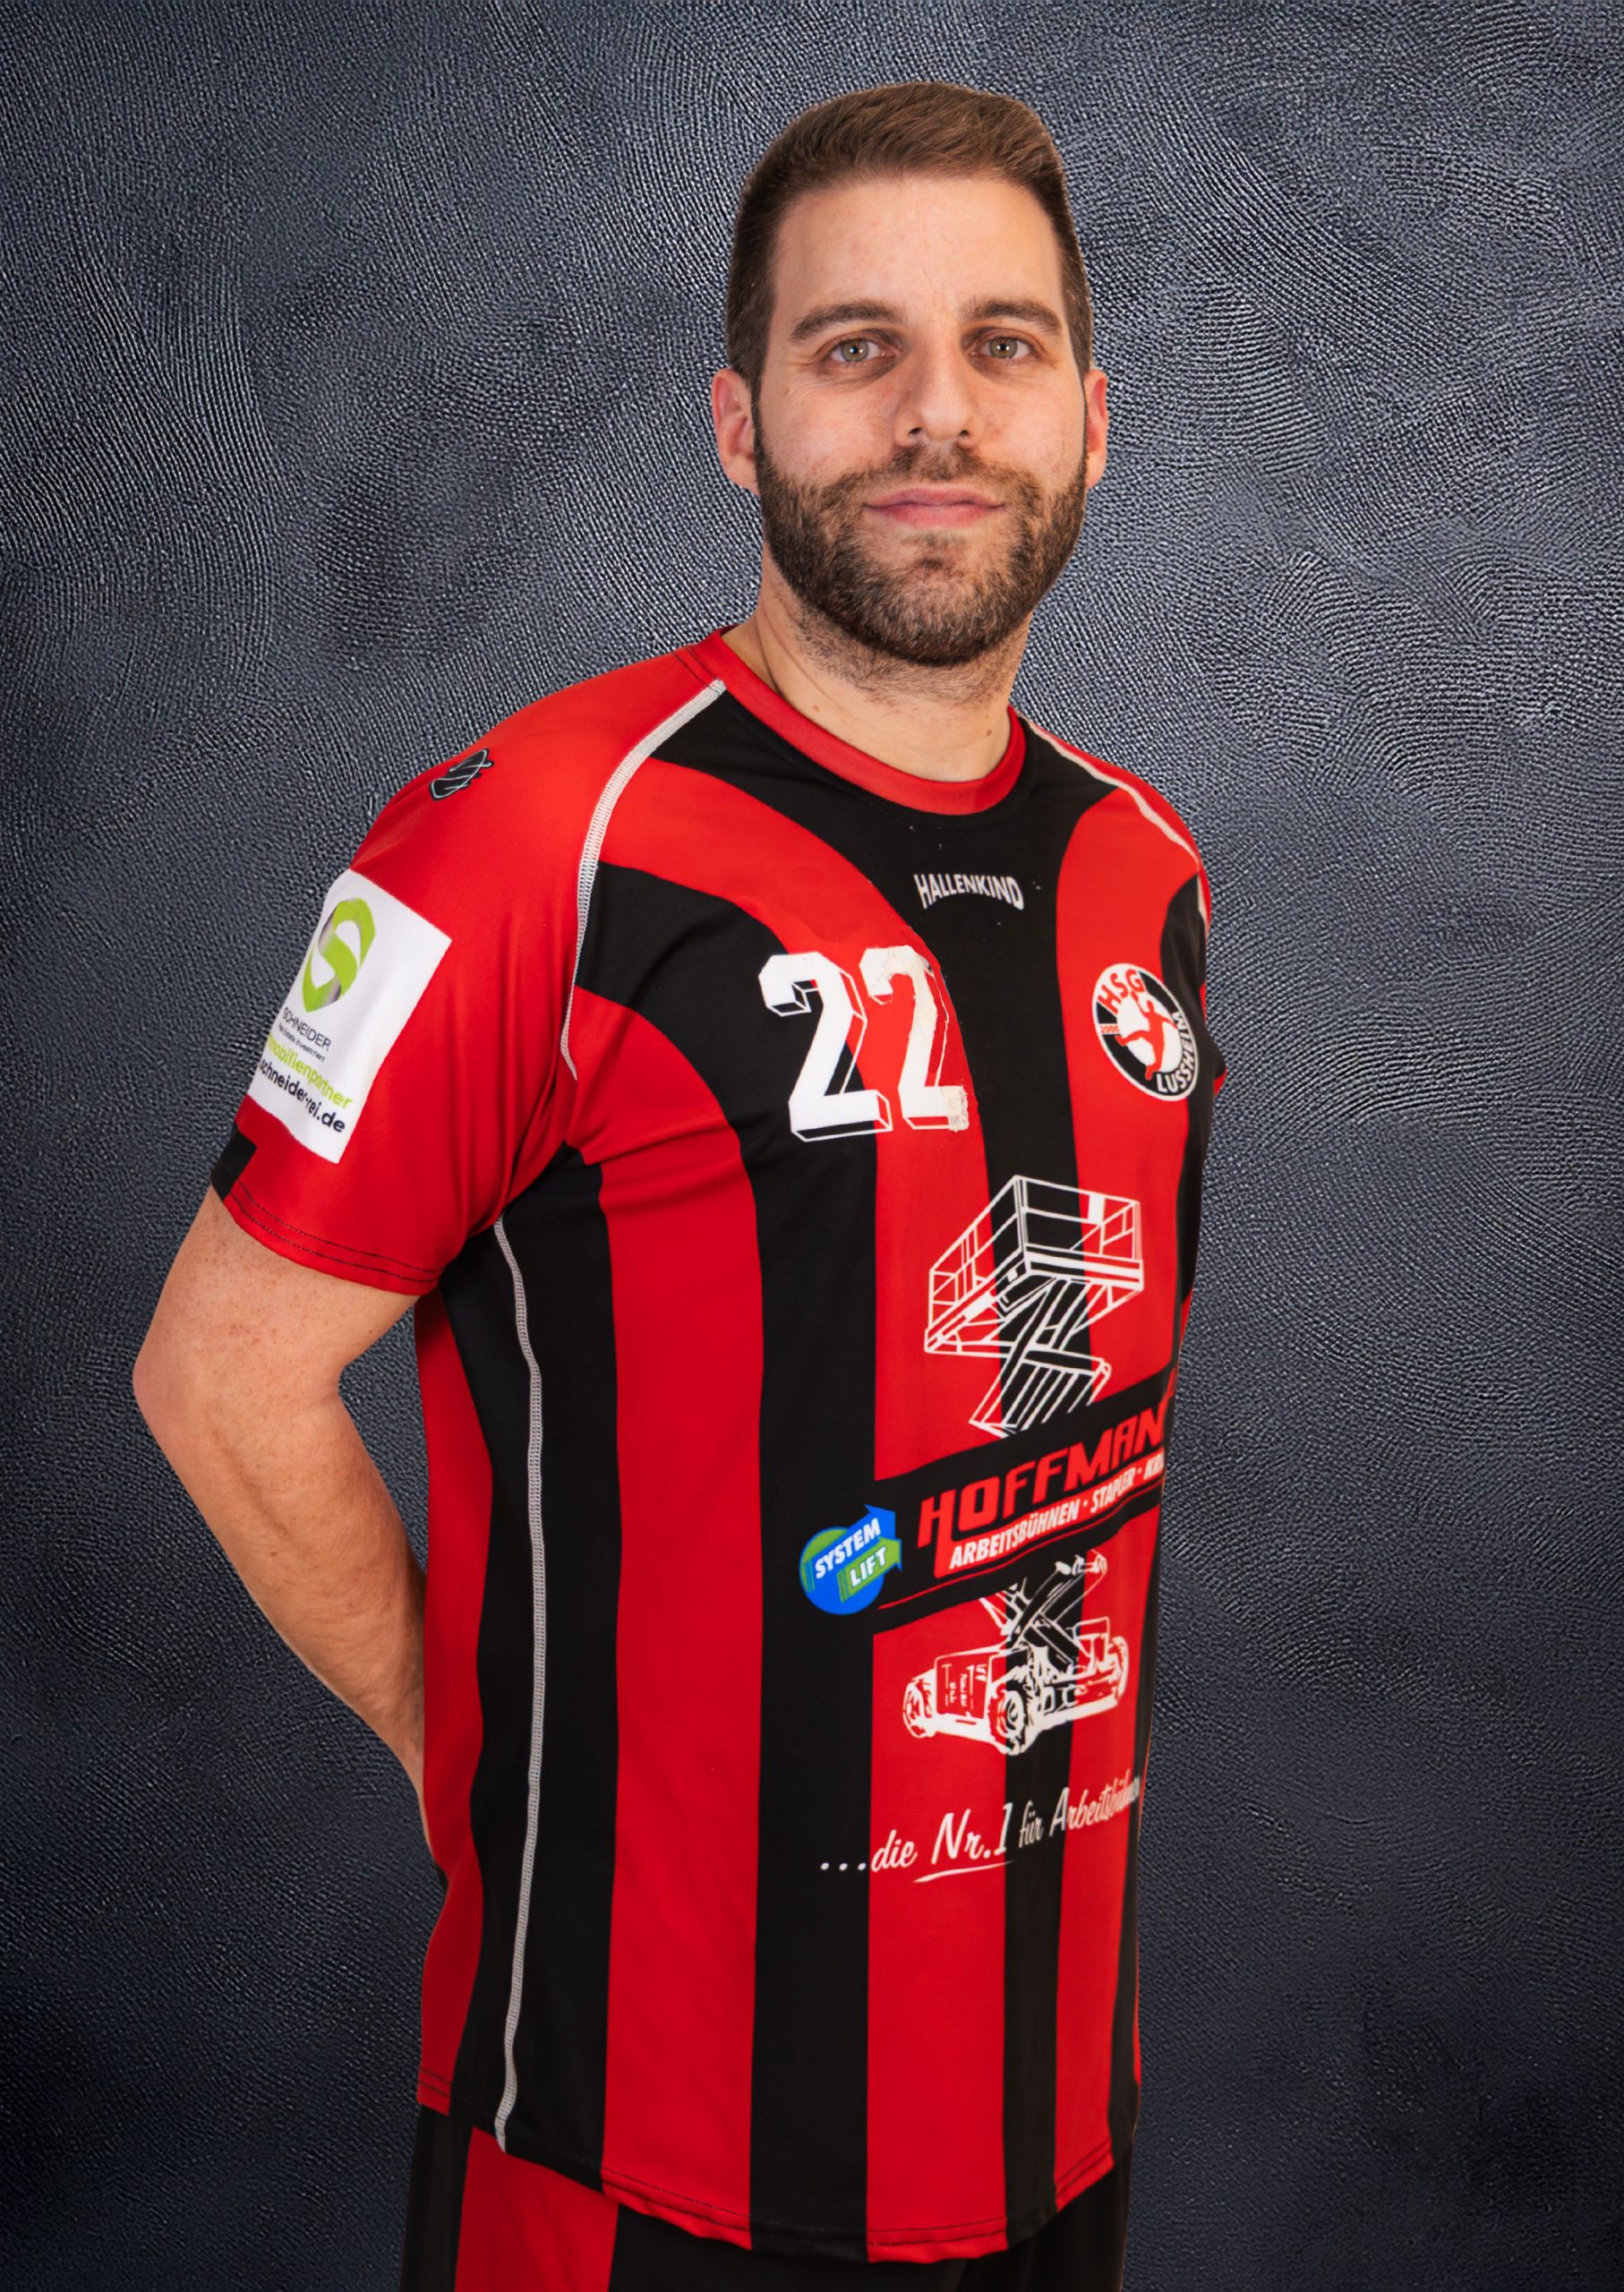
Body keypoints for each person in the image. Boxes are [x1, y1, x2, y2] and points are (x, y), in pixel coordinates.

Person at [132, 77, 1227, 2292]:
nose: (938, 414)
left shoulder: (1151, 873)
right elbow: (220, 1373)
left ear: (1094, 421)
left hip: (1053, 2134)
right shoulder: (535, 835)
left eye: (1004, 345)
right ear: (737, 421)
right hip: (631, 2154)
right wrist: (479, 1753)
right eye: (856, 347)